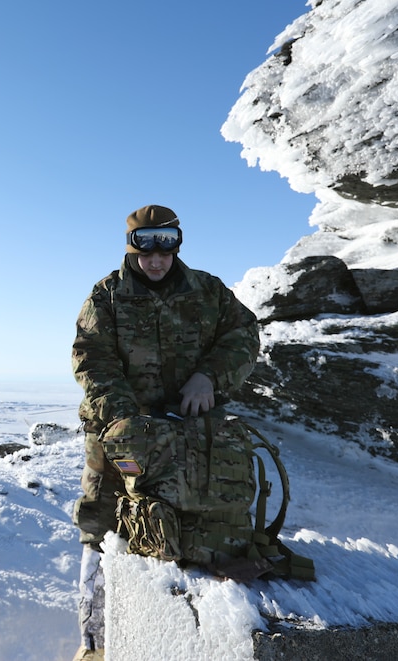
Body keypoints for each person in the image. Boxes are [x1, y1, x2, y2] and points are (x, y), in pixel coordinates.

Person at [69, 205, 259, 660]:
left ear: (177, 242)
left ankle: (175, 641)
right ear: (131, 245)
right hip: (121, 438)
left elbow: (244, 334)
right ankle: (94, 642)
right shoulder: (107, 296)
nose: (156, 258)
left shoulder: (208, 292)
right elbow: (91, 358)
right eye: (144, 245)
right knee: (102, 526)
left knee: (190, 528)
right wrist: (123, 418)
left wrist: (210, 377)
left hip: (191, 439)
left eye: (166, 244)